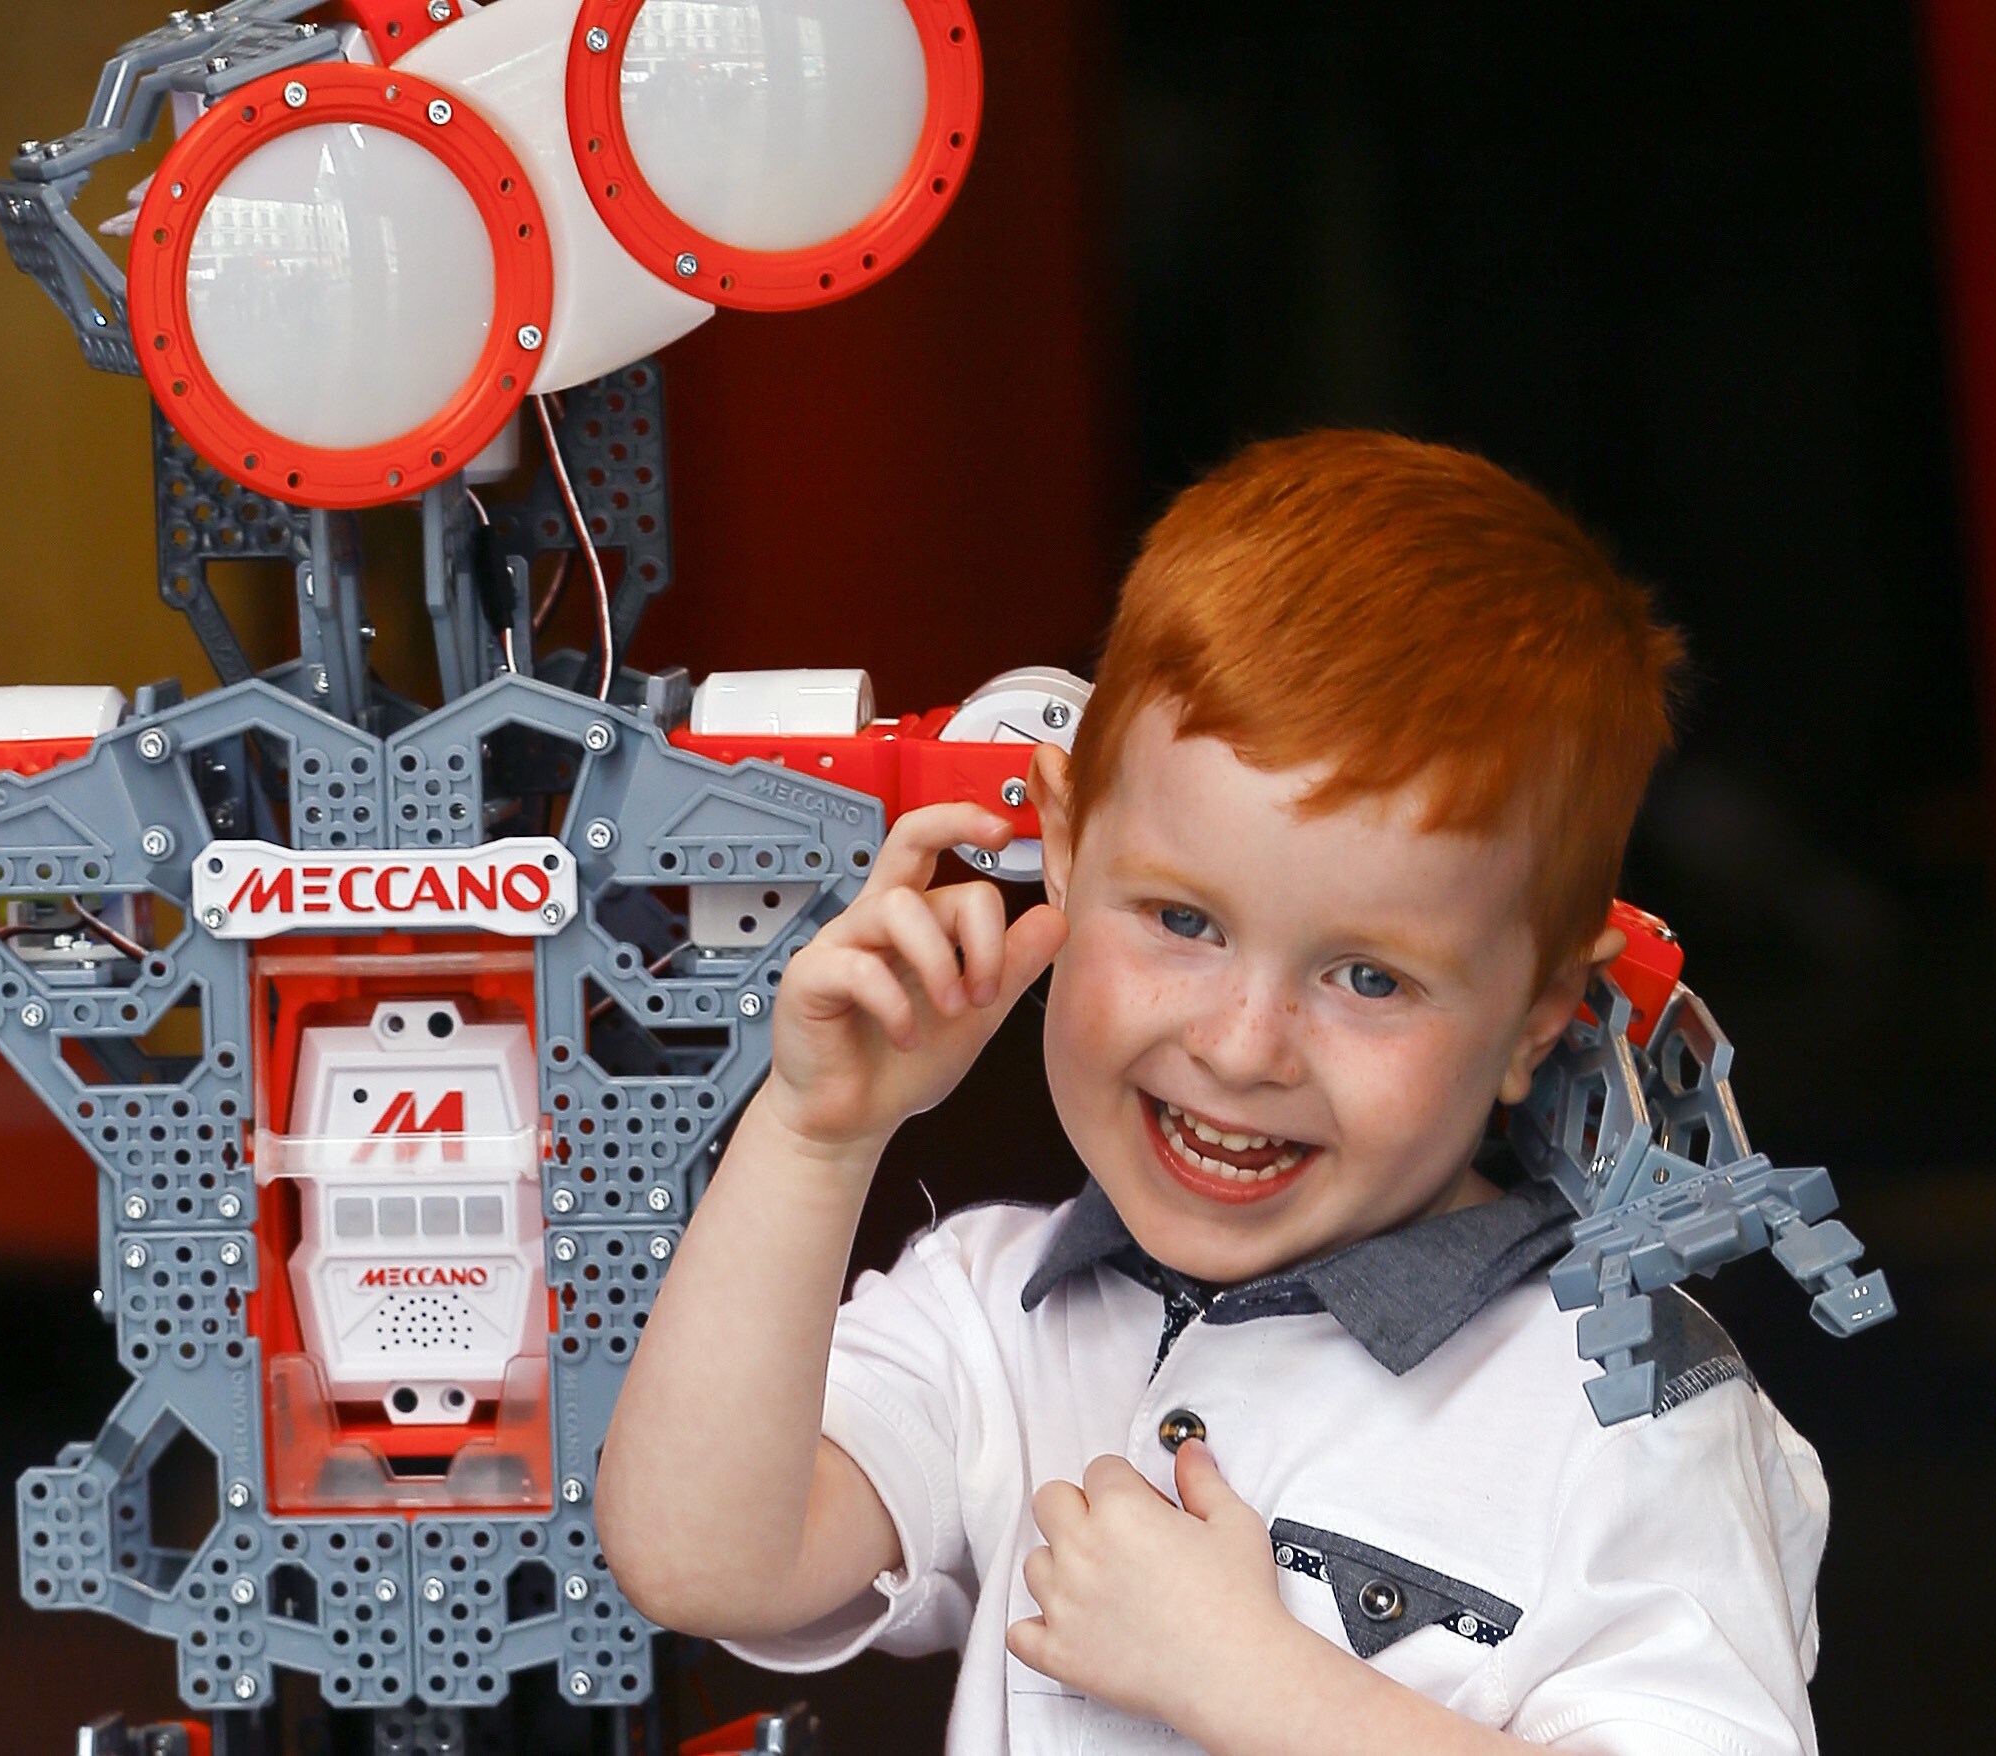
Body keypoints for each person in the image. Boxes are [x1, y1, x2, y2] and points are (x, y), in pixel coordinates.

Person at [596, 430, 1829, 1755]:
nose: (1245, 1048)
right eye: (1184, 920)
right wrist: (816, 1136)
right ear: (1063, 849)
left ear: (1537, 1013)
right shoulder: (995, 1316)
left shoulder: (1626, 1401)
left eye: (1368, 977)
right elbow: (697, 1561)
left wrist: (1254, 1683)